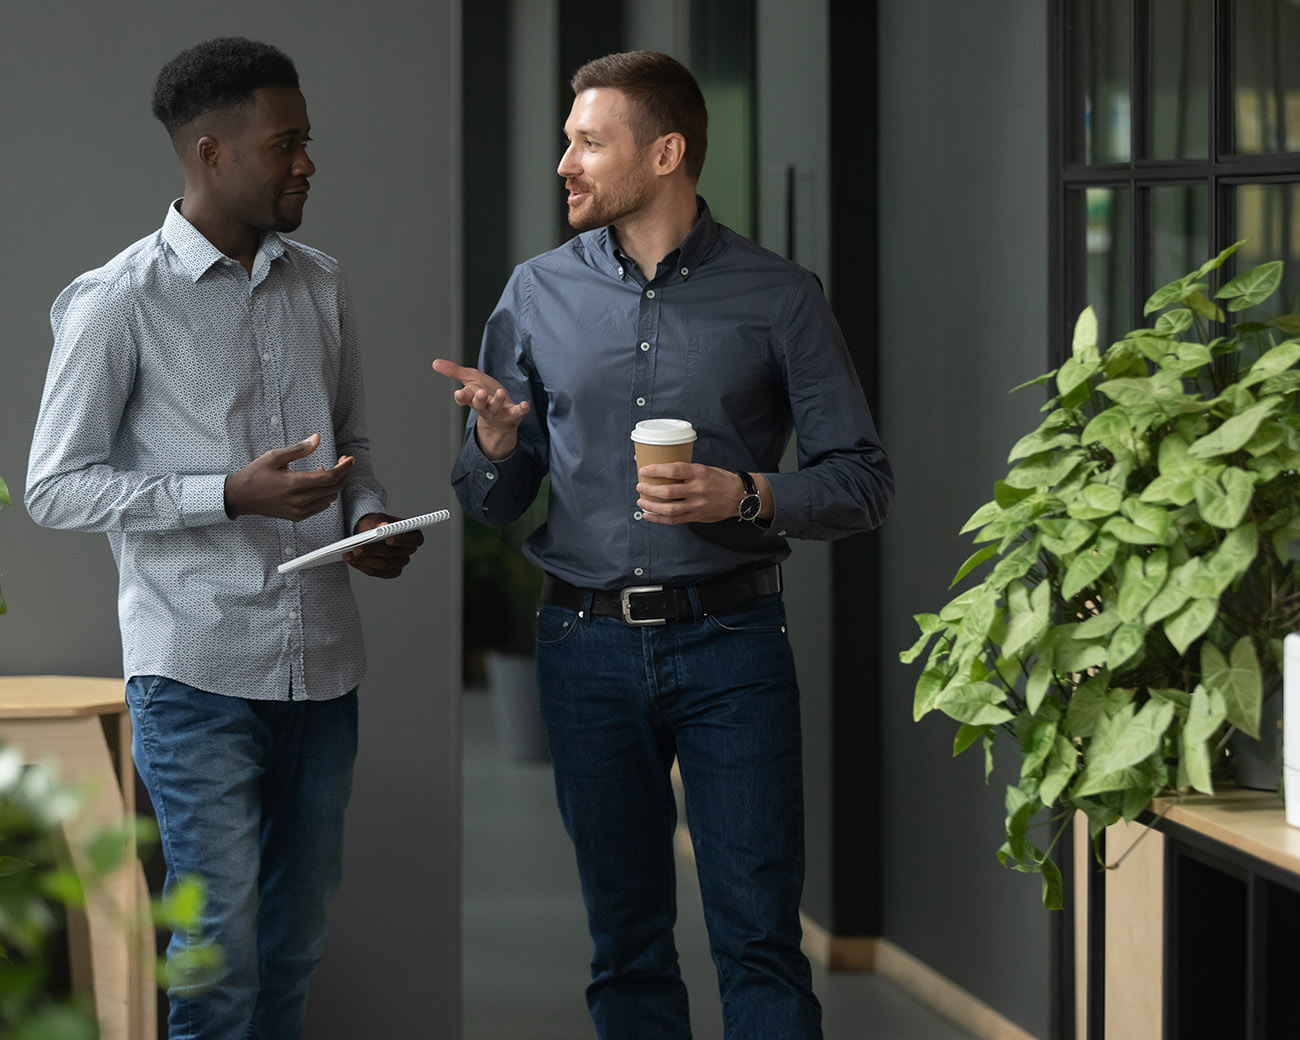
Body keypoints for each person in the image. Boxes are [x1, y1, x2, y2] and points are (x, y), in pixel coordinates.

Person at [434, 50, 893, 1040]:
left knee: (761, 941)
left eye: (589, 142)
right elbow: (493, 501)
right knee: (626, 947)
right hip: (583, 646)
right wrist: (493, 444)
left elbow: (861, 479)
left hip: (733, 645)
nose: (566, 160)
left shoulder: (780, 295)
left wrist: (747, 491)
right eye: (567, 139)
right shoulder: (535, 293)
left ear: (666, 151)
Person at [26, 37, 422, 1040]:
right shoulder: (118, 300)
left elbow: (357, 449)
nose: (306, 162)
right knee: (219, 968)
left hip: (324, 669)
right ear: (210, 152)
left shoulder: (321, 284)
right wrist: (225, 495)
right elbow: (54, 486)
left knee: (290, 946)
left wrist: (368, 517)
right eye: (284, 143)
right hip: (195, 671)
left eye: (307, 140)